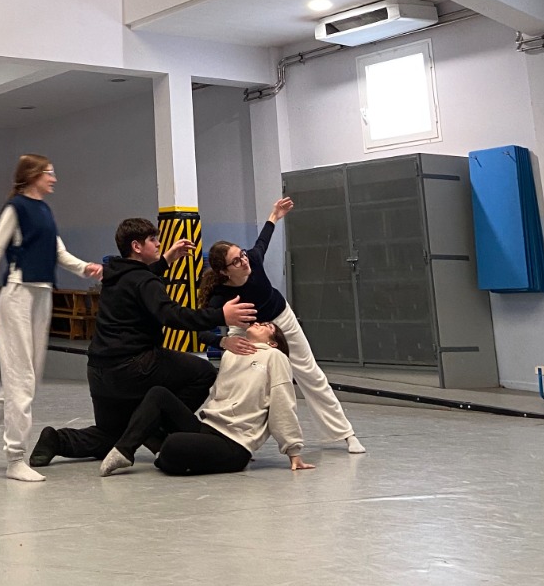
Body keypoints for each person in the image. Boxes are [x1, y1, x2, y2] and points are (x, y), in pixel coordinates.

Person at [30, 216, 259, 469]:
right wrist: (220, 315)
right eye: (153, 240)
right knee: (202, 372)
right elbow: (171, 315)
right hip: (135, 366)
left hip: (99, 371)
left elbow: (138, 279)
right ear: (136, 246)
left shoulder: (114, 273)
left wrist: (166, 260)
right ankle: (156, 427)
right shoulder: (145, 281)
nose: (159, 243)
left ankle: (56, 440)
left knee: (110, 435)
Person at [0, 155, 104, 483]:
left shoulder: (44, 209)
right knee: (21, 378)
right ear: (33, 175)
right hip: (17, 294)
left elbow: (58, 253)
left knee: (29, 379)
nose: (54, 178)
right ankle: (15, 457)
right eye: (49, 173)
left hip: (43, 295)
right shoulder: (15, 208)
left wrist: (85, 268)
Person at [199, 196, 366, 454]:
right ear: (224, 272)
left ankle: (346, 433)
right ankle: (230, 434)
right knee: (232, 374)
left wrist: (274, 215)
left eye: (241, 254)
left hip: (282, 319)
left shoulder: (253, 259)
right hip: (247, 329)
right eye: (236, 261)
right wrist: (224, 341)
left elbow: (263, 239)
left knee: (310, 373)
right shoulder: (220, 296)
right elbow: (200, 330)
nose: (244, 260)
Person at [100, 319, 316, 476]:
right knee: (156, 396)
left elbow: (282, 403)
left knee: (174, 444)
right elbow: (217, 397)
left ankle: (165, 454)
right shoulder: (231, 354)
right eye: (259, 321)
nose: (259, 323)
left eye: (268, 326)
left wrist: (293, 450)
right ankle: (124, 451)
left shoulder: (275, 357)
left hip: (233, 443)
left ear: (273, 342)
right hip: (207, 428)